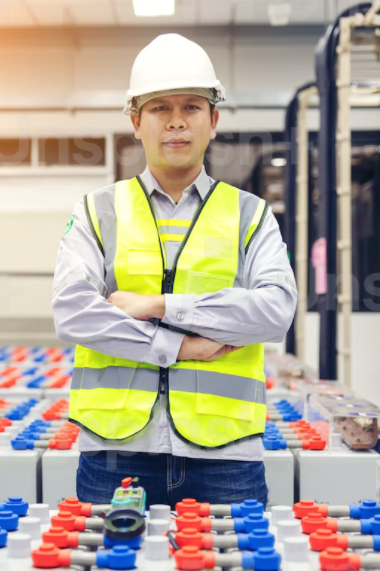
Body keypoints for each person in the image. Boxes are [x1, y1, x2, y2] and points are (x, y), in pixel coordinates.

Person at [52, 33, 297, 508]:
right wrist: (180, 346)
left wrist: (160, 305)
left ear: (213, 121)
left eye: (191, 106)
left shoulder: (250, 214)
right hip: (115, 452)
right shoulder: (97, 210)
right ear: (136, 121)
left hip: (227, 455)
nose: (177, 122)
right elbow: (73, 312)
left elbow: (275, 311)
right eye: (160, 108)